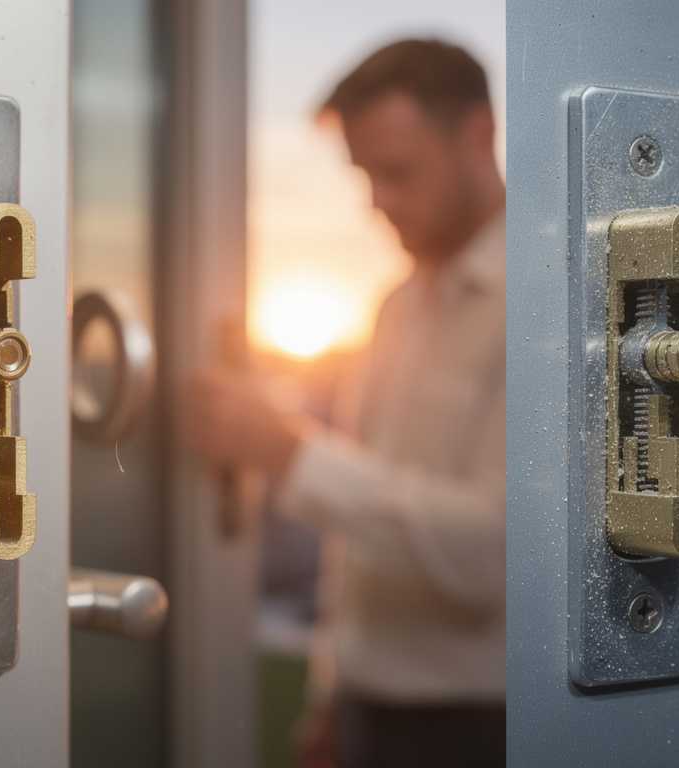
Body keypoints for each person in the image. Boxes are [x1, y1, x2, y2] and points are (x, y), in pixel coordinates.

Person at [188, 39, 506, 768]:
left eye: (397, 172)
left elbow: (496, 550)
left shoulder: (543, 308)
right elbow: (357, 535)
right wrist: (330, 693)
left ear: (480, 134)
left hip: (478, 732)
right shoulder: (397, 306)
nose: (379, 204)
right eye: (366, 176)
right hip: (367, 715)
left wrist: (287, 451)